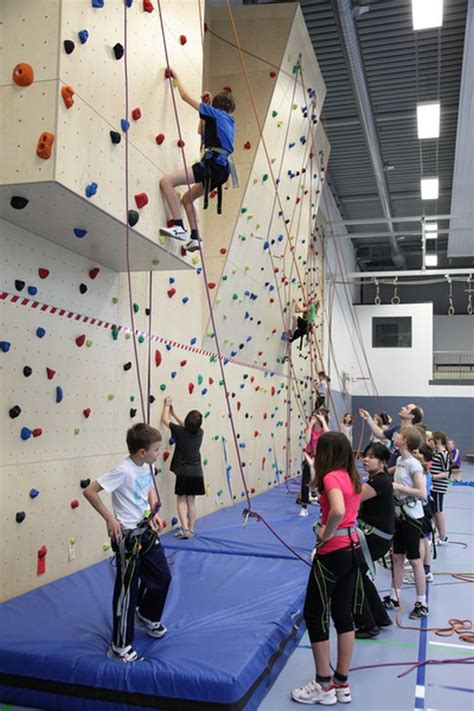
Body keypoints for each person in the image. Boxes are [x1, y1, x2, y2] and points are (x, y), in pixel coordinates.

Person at [83, 423, 170, 662]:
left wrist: (154, 511)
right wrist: (110, 518)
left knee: (162, 577)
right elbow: (90, 491)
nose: (158, 453)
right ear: (142, 452)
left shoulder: (145, 466)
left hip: (145, 531)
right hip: (128, 538)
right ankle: (119, 646)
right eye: (156, 449)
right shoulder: (123, 470)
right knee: (127, 592)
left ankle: (147, 614)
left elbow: (148, 488)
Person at [291, 432, 362, 706]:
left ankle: (323, 685)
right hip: (353, 549)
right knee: (344, 615)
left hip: (334, 551)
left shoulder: (332, 477)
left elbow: (337, 510)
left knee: (316, 613)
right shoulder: (350, 475)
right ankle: (342, 683)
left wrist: (325, 534)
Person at [159, 70, 236, 252]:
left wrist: (176, 75)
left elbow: (185, 97)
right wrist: (206, 105)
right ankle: (195, 238)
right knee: (187, 199)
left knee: (167, 181)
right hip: (222, 171)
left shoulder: (215, 114)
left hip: (212, 164)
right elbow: (201, 131)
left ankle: (178, 226)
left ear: (216, 107)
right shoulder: (230, 121)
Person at [383, 426, 428, 620]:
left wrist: (398, 486)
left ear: (406, 440)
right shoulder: (400, 460)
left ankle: (422, 602)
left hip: (412, 517)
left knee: (415, 559)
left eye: (399, 435)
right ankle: (394, 596)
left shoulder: (413, 465)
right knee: (397, 557)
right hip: (399, 516)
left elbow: (422, 493)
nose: (395, 436)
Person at [353, 442, 394, 638]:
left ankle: (368, 624)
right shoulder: (377, 479)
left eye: (371, 456)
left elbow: (353, 498)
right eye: (365, 455)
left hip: (376, 538)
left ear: (383, 462)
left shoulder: (379, 481)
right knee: (358, 574)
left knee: (352, 574)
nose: (366, 459)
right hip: (376, 536)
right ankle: (380, 617)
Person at [161, 396, 205, 539]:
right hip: (197, 473)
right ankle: (191, 530)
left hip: (184, 472)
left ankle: (185, 529)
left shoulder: (180, 432)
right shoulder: (200, 433)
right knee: (191, 501)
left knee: (181, 500)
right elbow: (187, 427)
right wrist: (175, 414)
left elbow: (164, 420)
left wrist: (167, 406)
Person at [359, 403, 424, 474]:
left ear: (411, 416)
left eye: (407, 408)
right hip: (388, 468)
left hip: (399, 473)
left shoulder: (413, 434)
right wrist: (369, 418)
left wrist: (388, 471)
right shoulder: (397, 428)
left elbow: (411, 459)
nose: (402, 408)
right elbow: (380, 434)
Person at [299, 410, 329, 517]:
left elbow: (328, 436)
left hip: (321, 458)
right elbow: (307, 440)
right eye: (315, 416)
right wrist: (310, 425)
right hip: (310, 456)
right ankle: (304, 507)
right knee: (305, 481)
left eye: (318, 417)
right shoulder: (309, 429)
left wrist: (323, 421)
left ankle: (323, 508)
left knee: (322, 483)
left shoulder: (324, 430)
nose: (316, 418)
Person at [430, 431, 451, 545]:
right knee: (433, 512)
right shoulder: (436, 453)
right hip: (432, 487)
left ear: (438, 440)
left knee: (438, 511)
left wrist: (433, 476)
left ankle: (443, 536)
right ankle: (437, 534)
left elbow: (446, 473)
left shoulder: (444, 454)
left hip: (438, 487)